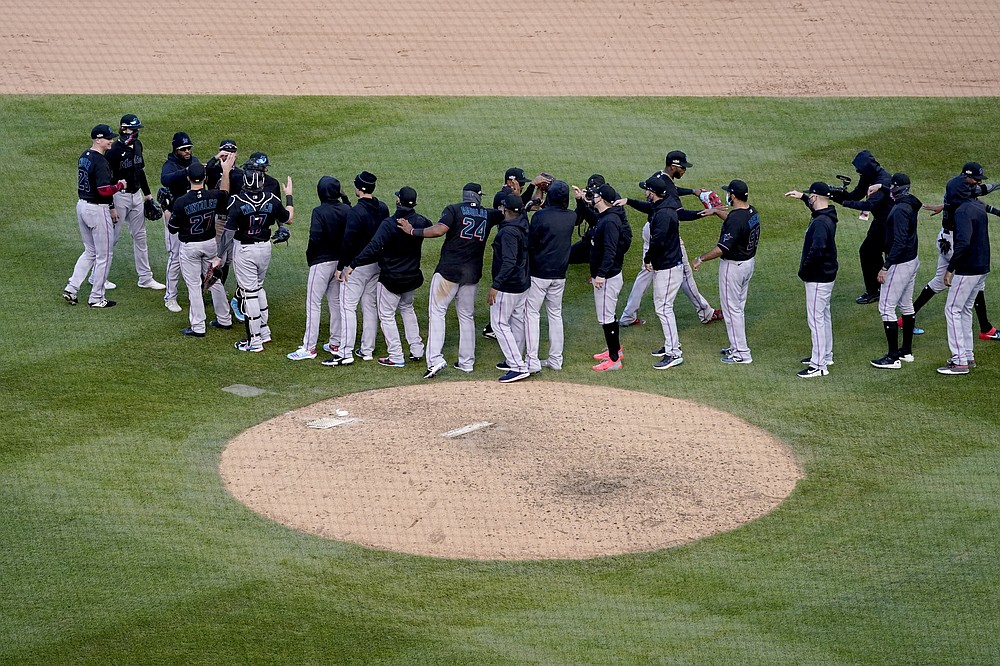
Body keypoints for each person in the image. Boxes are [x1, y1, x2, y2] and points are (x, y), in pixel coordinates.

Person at [397, 183, 502, 378]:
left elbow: (438, 230)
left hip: (449, 272)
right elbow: (511, 211)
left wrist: (413, 231)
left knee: (437, 313)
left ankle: (435, 359)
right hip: (471, 275)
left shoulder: (453, 209)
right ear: (477, 196)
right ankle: (466, 362)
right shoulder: (489, 214)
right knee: (467, 316)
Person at [344, 186, 430, 367]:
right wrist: (413, 227)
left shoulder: (389, 224)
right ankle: (417, 349)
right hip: (411, 277)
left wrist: (353, 264)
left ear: (399, 201)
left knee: (387, 315)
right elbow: (431, 226)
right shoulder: (420, 222)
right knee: (407, 308)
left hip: (391, 278)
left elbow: (373, 248)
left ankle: (396, 355)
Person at [916, 162, 1000, 342]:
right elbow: (979, 198)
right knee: (976, 284)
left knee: (939, 281)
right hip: (954, 242)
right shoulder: (961, 190)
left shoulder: (956, 185)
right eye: (975, 179)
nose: (977, 183)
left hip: (946, 238)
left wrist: (944, 206)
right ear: (966, 176)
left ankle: (907, 316)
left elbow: (974, 198)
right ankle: (986, 329)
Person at [216, 169, 294, 352]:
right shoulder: (272, 200)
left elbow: (228, 233)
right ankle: (264, 332)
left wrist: (219, 256)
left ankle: (255, 341)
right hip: (265, 248)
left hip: (245, 250)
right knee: (258, 287)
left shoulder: (236, 202)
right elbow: (288, 219)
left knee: (249, 293)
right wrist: (289, 195)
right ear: (261, 184)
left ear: (244, 184)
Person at [647, 150, 724, 325]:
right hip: (665, 230)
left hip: (652, 227)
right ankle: (706, 312)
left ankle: (629, 314)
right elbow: (681, 215)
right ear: (673, 166)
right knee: (684, 273)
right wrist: (708, 213)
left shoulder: (659, 177)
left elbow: (672, 189)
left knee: (645, 272)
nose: (684, 171)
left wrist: (693, 191)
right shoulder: (667, 188)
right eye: (682, 168)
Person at [692, 179, 760, 364]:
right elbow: (735, 222)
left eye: (728, 193)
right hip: (747, 265)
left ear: (733, 195)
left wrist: (700, 258)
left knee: (731, 311)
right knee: (738, 308)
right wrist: (716, 212)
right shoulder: (751, 211)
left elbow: (722, 248)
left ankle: (741, 354)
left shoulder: (737, 219)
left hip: (734, 267)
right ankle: (736, 346)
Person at [324, 172, 389, 366]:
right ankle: (367, 350)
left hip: (357, 266)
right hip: (377, 264)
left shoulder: (356, 212)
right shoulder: (383, 208)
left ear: (359, 188)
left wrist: (341, 266)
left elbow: (348, 241)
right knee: (369, 306)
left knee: (347, 307)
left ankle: (345, 352)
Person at [167, 159, 236, 337]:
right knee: (214, 281)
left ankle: (198, 326)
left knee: (194, 286)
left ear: (188, 178)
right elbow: (225, 192)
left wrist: (166, 208)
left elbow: (172, 229)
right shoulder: (213, 195)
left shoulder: (181, 202)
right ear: (205, 178)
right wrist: (226, 171)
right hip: (210, 244)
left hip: (190, 247)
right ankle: (224, 319)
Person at [63, 124, 127, 308]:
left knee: (90, 251)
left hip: (82, 206)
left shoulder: (84, 156)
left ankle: (72, 288)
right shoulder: (100, 162)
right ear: (98, 139)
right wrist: (120, 186)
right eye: (108, 138)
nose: (111, 140)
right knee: (104, 255)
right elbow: (104, 190)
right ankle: (96, 298)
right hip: (96, 210)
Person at [287, 177, 351, 360]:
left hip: (321, 262)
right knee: (335, 302)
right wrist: (345, 198)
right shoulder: (347, 209)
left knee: (313, 304)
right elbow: (353, 215)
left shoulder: (319, 211)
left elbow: (315, 237)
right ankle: (336, 343)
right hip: (340, 264)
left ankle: (309, 348)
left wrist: (310, 256)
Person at [104, 113, 166, 291]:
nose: (136, 132)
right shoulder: (114, 151)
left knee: (140, 237)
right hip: (119, 197)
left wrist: (148, 195)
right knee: (111, 238)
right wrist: (111, 206)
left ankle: (145, 278)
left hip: (136, 196)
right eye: (134, 129)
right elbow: (106, 180)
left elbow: (140, 171)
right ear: (123, 129)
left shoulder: (138, 145)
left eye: (138, 129)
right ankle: (98, 276)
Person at [866, 174, 921, 369]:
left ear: (894, 190)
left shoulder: (899, 210)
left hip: (899, 263)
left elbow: (898, 242)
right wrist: (881, 185)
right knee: (906, 305)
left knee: (886, 307)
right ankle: (906, 352)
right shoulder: (911, 202)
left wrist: (885, 266)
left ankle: (892, 357)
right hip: (912, 260)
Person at [630, 176, 684, 369]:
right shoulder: (664, 205)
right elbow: (648, 208)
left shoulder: (662, 214)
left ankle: (674, 353)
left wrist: (647, 259)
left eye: (646, 190)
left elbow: (658, 241)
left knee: (663, 308)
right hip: (669, 265)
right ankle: (671, 345)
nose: (645, 192)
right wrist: (628, 201)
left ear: (652, 193)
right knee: (663, 307)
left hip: (668, 268)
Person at [785, 182, 839, 378]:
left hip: (818, 277)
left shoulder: (820, 223)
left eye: (810, 196)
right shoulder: (828, 214)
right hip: (827, 274)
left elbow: (816, 250)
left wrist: (804, 270)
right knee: (824, 317)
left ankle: (818, 365)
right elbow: (815, 207)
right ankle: (825, 355)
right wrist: (802, 197)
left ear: (816, 197)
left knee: (816, 321)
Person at [523, 180, 576, 373]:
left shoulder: (540, 217)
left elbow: (530, 241)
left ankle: (532, 360)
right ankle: (556, 359)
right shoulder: (571, 216)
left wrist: (534, 207)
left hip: (539, 274)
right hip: (559, 274)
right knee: (555, 314)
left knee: (531, 314)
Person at [829, 150, 892, 304]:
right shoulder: (868, 176)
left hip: (889, 224)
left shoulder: (883, 180)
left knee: (871, 252)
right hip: (880, 222)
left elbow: (869, 205)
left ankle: (875, 291)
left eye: (860, 169)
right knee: (872, 252)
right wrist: (836, 195)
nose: (858, 172)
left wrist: (844, 203)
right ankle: (879, 288)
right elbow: (856, 195)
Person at [938, 196, 990, 375]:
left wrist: (950, 269)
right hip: (982, 266)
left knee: (952, 310)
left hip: (968, 269)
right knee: (966, 309)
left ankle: (959, 361)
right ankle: (967, 355)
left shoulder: (962, 212)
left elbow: (963, 243)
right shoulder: (978, 206)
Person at [588, 184, 632, 372]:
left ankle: (614, 360)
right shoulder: (605, 217)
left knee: (606, 318)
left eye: (595, 195)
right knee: (608, 315)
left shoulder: (611, 221)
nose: (593, 197)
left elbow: (611, 251)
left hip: (608, 277)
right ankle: (615, 351)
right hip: (607, 275)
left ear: (603, 199)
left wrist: (601, 274)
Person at [488, 194, 531, 382]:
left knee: (499, 324)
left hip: (508, 286)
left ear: (505, 209)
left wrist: (496, 286)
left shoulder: (507, 233)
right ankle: (515, 358)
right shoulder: (522, 223)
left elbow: (508, 262)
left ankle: (517, 366)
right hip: (522, 283)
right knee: (517, 321)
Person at [160, 132, 204, 313]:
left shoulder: (195, 161)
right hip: (175, 215)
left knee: (198, 256)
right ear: (176, 150)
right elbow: (165, 179)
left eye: (189, 148)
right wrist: (186, 172)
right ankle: (170, 297)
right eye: (183, 149)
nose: (187, 152)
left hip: (193, 215)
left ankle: (197, 291)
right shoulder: (169, 165)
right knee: (176, 257)